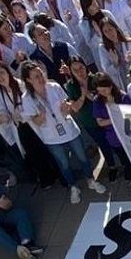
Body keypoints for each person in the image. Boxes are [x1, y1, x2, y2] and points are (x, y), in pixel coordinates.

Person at [18, 61, 106, 204]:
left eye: (40, 74)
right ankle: (73, 187)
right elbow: (36, 122)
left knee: (83, 157)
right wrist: (39, 116)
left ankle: (91, 180)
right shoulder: (27, 98)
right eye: (35, 77)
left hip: (69, 130)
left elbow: (68, 108)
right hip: (52, 138)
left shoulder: (54, 87)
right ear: (28, 80)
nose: (40, 79)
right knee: (64, 164)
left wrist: (67, 107)